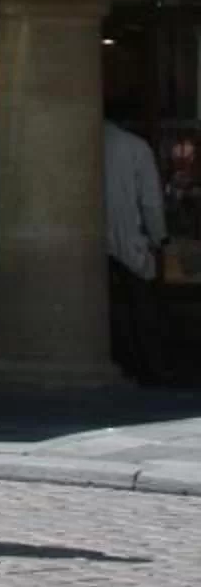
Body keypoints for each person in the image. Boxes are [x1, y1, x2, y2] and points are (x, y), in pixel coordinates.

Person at [106, 99, 171, 384]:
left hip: (97, 241)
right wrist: (160, 237)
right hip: (128, 239)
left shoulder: (84, 146)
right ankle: (150, 365)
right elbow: (150, 201)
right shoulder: (135, 147)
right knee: (140, 306)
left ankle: (127, 360)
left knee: (114, 306)